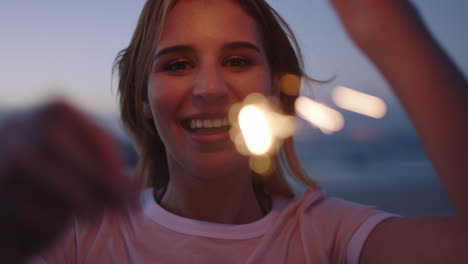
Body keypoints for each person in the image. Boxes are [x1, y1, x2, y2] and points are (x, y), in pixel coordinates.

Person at [1, 0, 467, 263]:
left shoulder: (331, 237)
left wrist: (383, 27)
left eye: (238, 60)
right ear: (143, 100)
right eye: (178, 64)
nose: (209, 89)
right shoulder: (83, 234)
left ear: (274, 89)